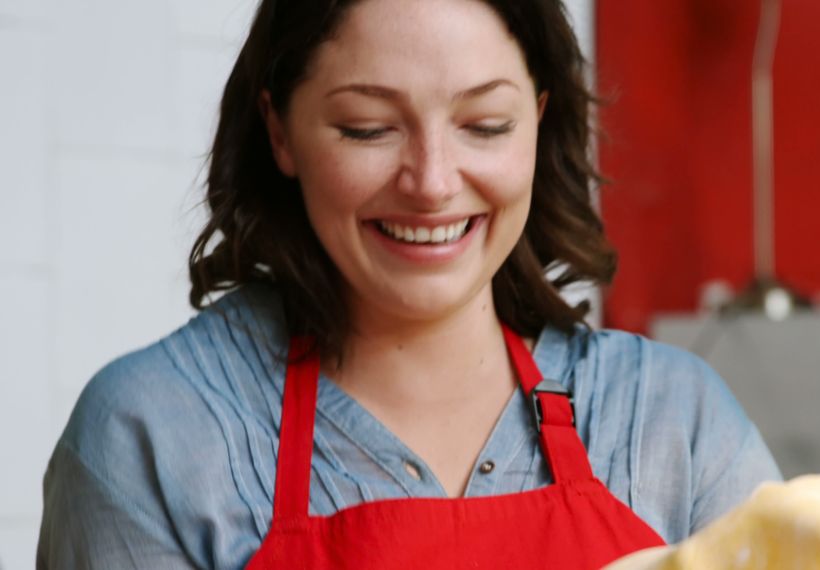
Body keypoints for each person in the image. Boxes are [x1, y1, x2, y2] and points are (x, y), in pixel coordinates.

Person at [37, 0, 781, 567]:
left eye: (485, 125)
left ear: (538, 120)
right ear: (279, 131)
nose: (431, 183)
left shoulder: (673, 426)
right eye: (367, 128)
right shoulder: (155, 436)